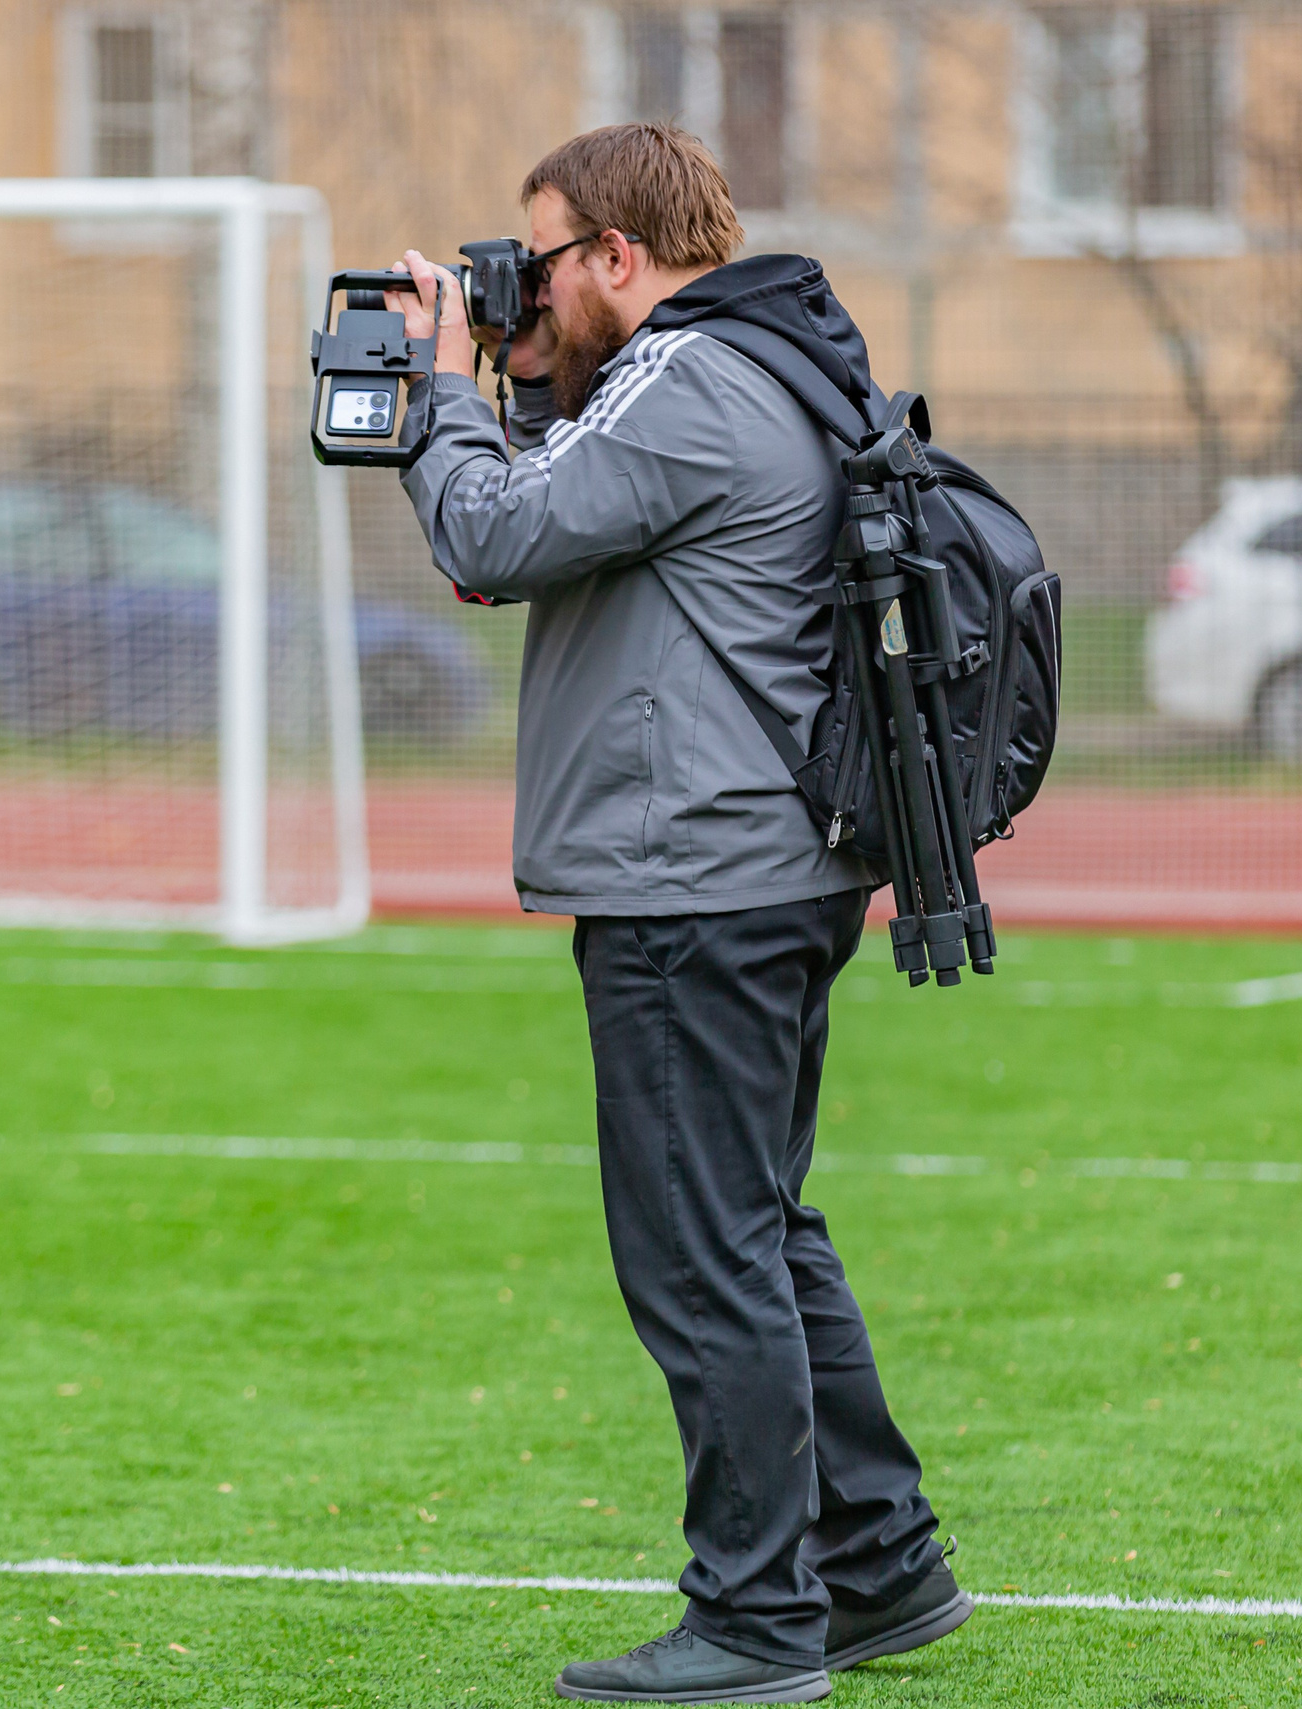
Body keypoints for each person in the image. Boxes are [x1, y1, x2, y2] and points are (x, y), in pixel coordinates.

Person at [383, 123, 971, 1705]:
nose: (527, 288)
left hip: (689, 881)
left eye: (542, 260)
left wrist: (440, 389)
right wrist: (512, 384)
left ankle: (759, 1620)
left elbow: (493, 534)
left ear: (617, 258)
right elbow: (553, 521)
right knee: (761, 1227)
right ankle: (880, 1566)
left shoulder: (688, 377)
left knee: (701, 1252)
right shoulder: (764, 358)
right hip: (756, 866)